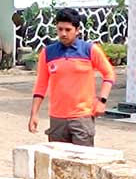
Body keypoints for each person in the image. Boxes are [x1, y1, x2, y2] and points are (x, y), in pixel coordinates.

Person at [28, 8, 115, 146]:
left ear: (77, 30)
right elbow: (41, 85)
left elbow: (109, 74)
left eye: (68, 30)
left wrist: (102, 101)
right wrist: (34, 114)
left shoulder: (89, 50)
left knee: (83, 162)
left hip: (82, 117)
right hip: (57, 118)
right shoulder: (48, 53)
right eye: (60, 29)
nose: (63, 33)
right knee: (58, 164)